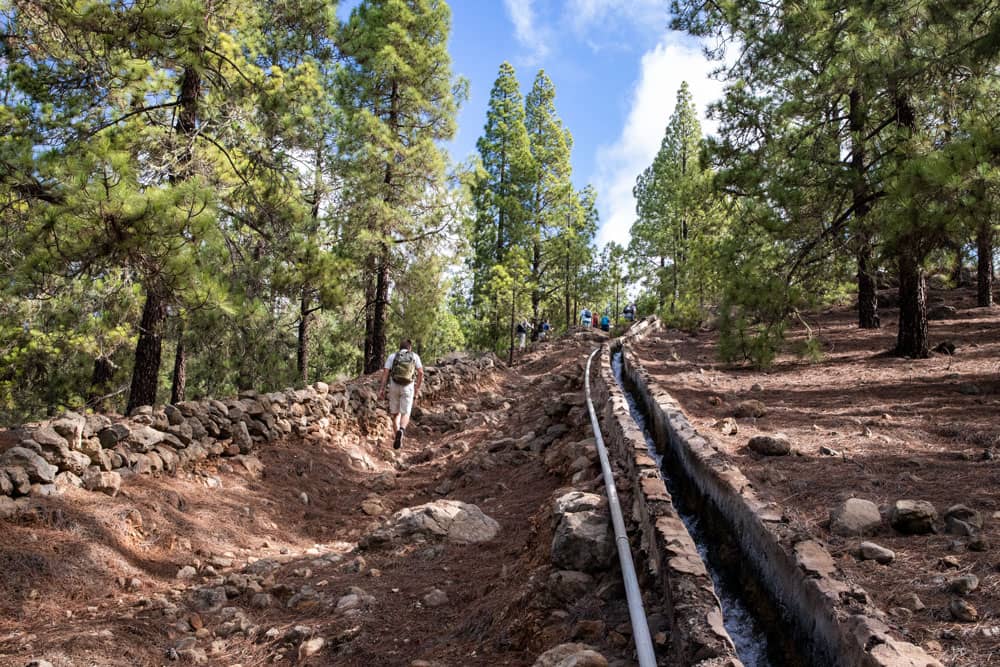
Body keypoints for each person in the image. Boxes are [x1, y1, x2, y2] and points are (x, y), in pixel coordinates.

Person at [378, 339, 424, 450]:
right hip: (408, 387)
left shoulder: (392, 356)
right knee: (406, 413)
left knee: (395, 414)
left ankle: (397, 435)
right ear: (410, 348)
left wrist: (382, 389)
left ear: (400, 347)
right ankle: (401, 430)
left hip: (394, 385)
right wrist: (417, 388)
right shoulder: (414, 356)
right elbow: (421, 373)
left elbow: (385, 373)